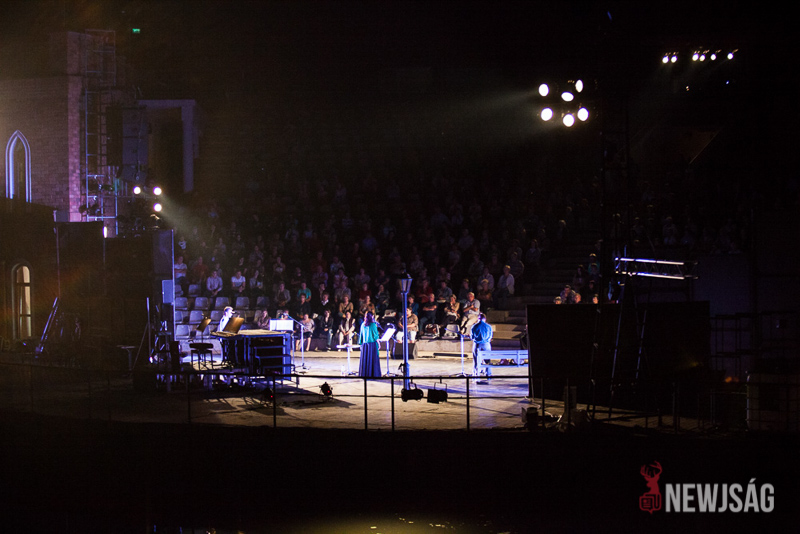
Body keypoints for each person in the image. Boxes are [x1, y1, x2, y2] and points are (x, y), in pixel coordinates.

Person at [358, 311, 382, 378]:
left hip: (365, 345)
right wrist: (379, 343)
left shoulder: (363, 324)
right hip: (372, 345)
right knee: (373, 360)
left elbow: (361, 335)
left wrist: (360, 344)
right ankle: (373, 374)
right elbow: (375, 335)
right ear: (372, 316)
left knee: (365, 360)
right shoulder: (373, 324)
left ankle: (365, 374)